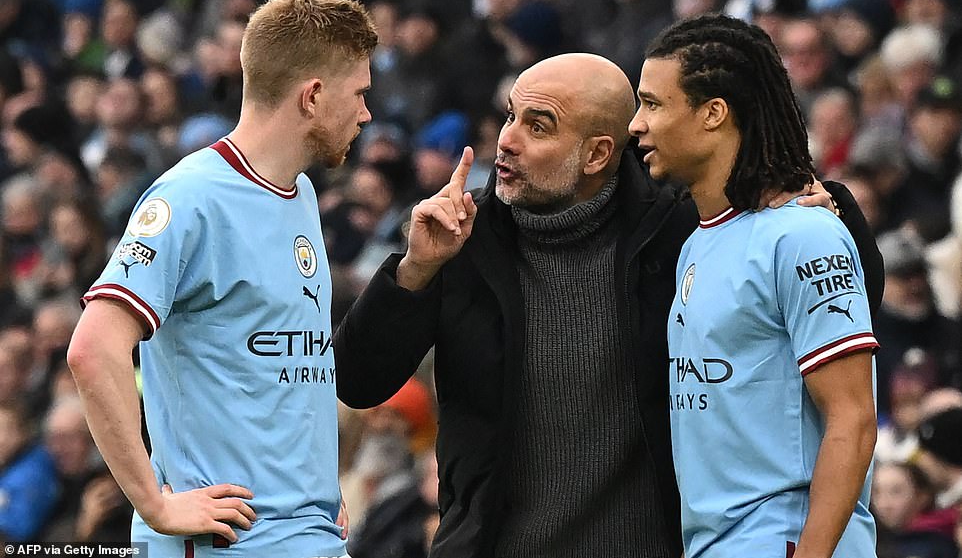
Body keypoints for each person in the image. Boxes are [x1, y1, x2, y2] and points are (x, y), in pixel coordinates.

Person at [334, 52, 882, 557]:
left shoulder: (679, 227)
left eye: (538, 125)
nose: (507, 141)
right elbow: (356, 381)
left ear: (598, 153)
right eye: (509, 117)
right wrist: (415, 270)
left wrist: (833, 211)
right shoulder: (461, 236)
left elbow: (848, 299)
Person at [66, 0, 378, 558]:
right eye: (358, 92)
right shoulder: (191, 198)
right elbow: (93, 348)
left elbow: (288, 362)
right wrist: (154, 505)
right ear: (312, 96)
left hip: (307, 536)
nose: (366, 111)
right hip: (228, 544)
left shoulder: (302, 194)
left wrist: (312, 493)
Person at [629, 13, 879, 558]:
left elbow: (853, 419)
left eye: (652, 103)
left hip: (784, 538)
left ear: (713, 112)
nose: (635, 125)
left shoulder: (804, 233)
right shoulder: (697, 243)